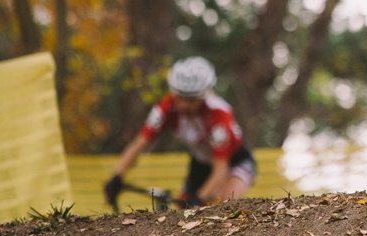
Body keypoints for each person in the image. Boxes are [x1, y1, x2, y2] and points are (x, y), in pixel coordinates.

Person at [103, 57, 256, 208]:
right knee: (183, 212)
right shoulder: (165, 109)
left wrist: (200, 198)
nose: (185, 105)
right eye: (181, 98)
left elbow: (221, 169)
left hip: (235, 160)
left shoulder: (219, 114)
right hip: (200, 163)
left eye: (192, 100)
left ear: (203, 96)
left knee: (223, 204)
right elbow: (140, 143)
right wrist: (117, 176)